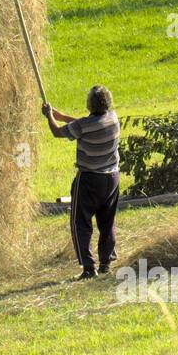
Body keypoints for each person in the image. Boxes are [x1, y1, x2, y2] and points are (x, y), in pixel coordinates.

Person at [44, 86, 120, 280]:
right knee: (107, 221)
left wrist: (49, 116)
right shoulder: (113, 119)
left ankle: (88, 267)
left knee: (80, 222)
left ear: (90, 104)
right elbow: (84, 125)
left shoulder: (85, 126)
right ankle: (105, 263)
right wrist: (62, 116)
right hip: (111, 178)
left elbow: (57, 133)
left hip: (89, 180)